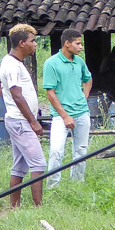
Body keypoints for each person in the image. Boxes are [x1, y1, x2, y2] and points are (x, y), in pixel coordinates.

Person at [0, 24, 45, 207]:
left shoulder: (9, 62)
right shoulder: (13, 65)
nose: (35, 44)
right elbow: (16, 94)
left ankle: (14, 208)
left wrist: (7, 99)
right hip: (21, 122)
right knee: (39, 164)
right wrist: (33, 122)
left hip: (17, 120)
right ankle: (39, 207)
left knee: (20, 167)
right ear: (22, 43)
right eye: (32, 41)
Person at [43, 29, 93, 188]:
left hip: (82, 113)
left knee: (81, 150)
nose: (81, 47)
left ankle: (77, 184)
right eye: (78, 43)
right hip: (60, 115)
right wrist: (65, 116)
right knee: (56, 151)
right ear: (67, 43)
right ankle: (53, 186)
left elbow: (88, 79)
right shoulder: (51, 63)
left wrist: (84, 96)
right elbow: (50, 93)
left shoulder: (79, 62)